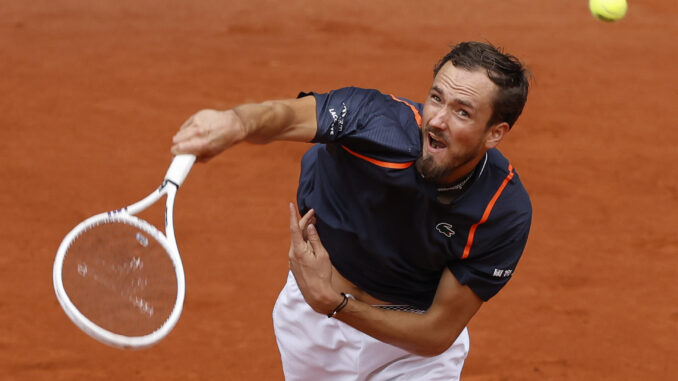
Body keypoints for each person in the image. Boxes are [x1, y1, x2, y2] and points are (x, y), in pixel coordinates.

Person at [171, 41, 532, 380]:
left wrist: (336, 304)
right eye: (436, 98)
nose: (437, 120)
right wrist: (236, 123)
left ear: (495, 133)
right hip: (313, 328)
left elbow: (437, 332)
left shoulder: (501, 209)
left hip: (411, 348)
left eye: (462, 112)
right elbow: (285, 116)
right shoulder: (374, 123)